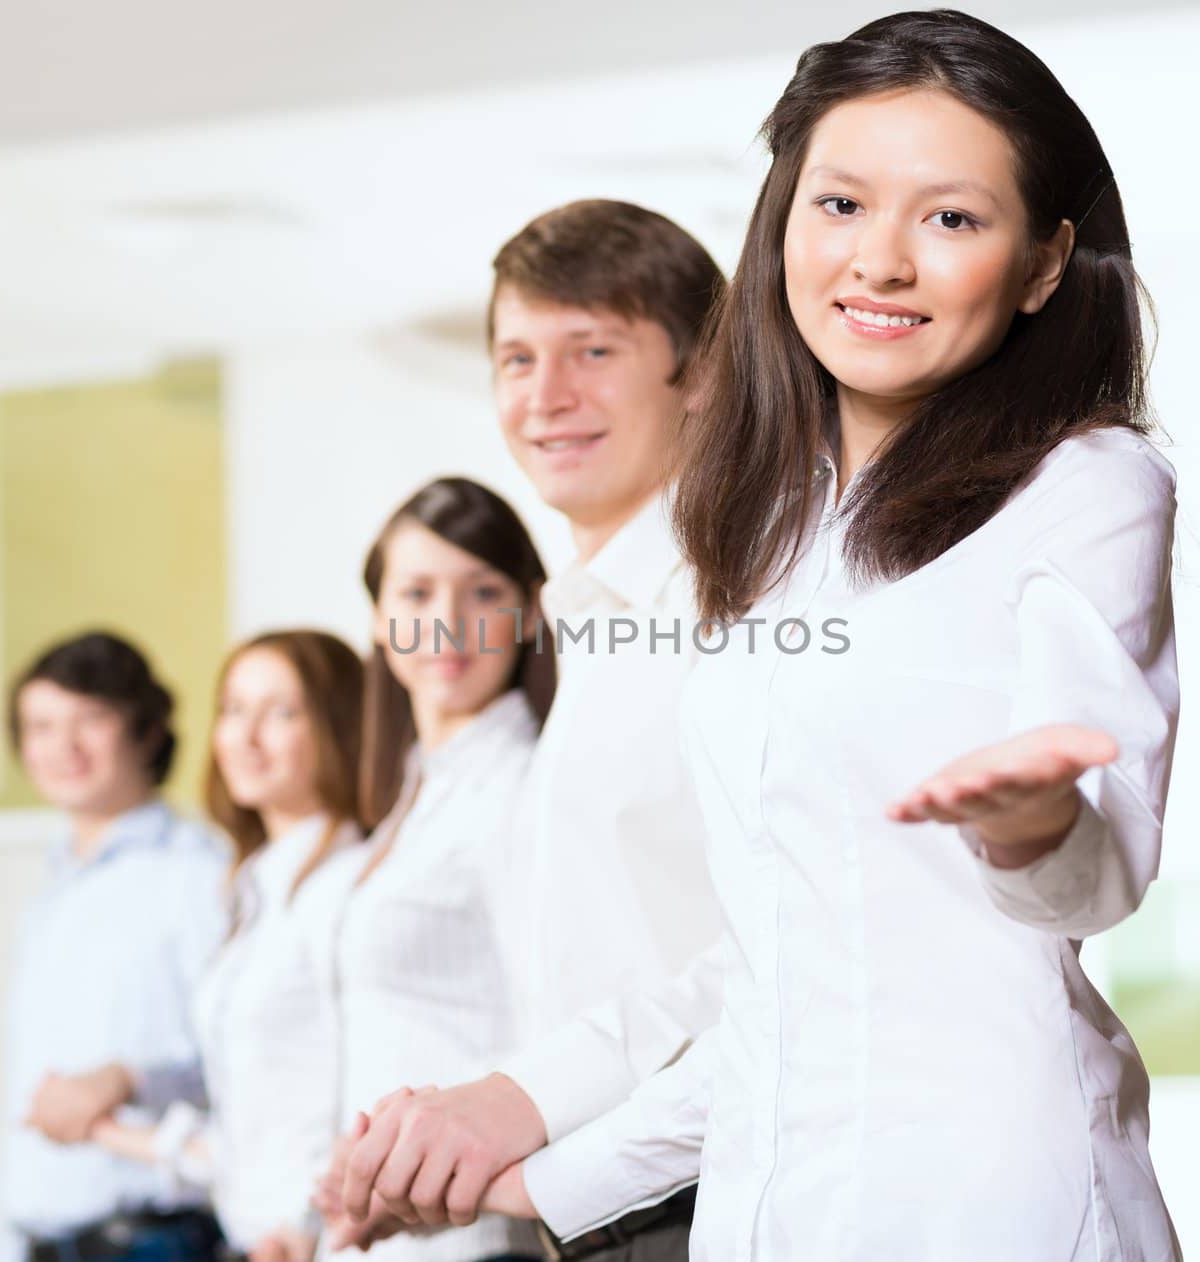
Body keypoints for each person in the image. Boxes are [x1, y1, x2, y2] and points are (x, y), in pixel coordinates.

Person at [477, 11, 1186, 1259]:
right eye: (841, 204)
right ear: (782, 223)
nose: (881, 261)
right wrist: (556, 1181)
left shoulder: (1086, 481)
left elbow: (1104, 865)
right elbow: (783, 992)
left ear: (1041, 264)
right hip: (767, 1213)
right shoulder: (763, 529)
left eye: (951, 218)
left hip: (994, 1204)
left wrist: (1037, 825)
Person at [329, 203, 728, 1261]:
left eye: (593, 351)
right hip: (590, 1199)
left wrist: (522, 1105)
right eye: (516, 357)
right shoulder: (592, 630)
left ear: (700, 374)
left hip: (697, 1195)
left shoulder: (739, 616)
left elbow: (788, 960)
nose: (545, 396)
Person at [316, 477, 554, 1262]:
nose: (446, 625)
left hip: (473, 1237)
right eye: (416, 593)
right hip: (380, 1234)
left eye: (482, 592)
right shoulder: (411, 792)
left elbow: (551, 1029)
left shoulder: (525, 788)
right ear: (380, 621)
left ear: (528, 613)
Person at [76, 630, 367, 1262]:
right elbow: (254, 1132)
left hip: (325, 1245)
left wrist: (309, 1225)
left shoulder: (354, 885)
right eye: (234, 710)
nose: (246, 735)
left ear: (339, 726)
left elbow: (364, 1095)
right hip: (253, 1239)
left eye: (282, 712)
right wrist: (109, 1133)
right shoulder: (253, 889)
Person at [0, 631, 229, 1262]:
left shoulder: (199, 872)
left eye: (89, 719)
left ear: (148, 731)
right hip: (42, 1239)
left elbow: (244, 1058)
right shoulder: (53, 889)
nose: (61, 746)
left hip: (155, 1239)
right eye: (40, 725)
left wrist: (129, 1080)